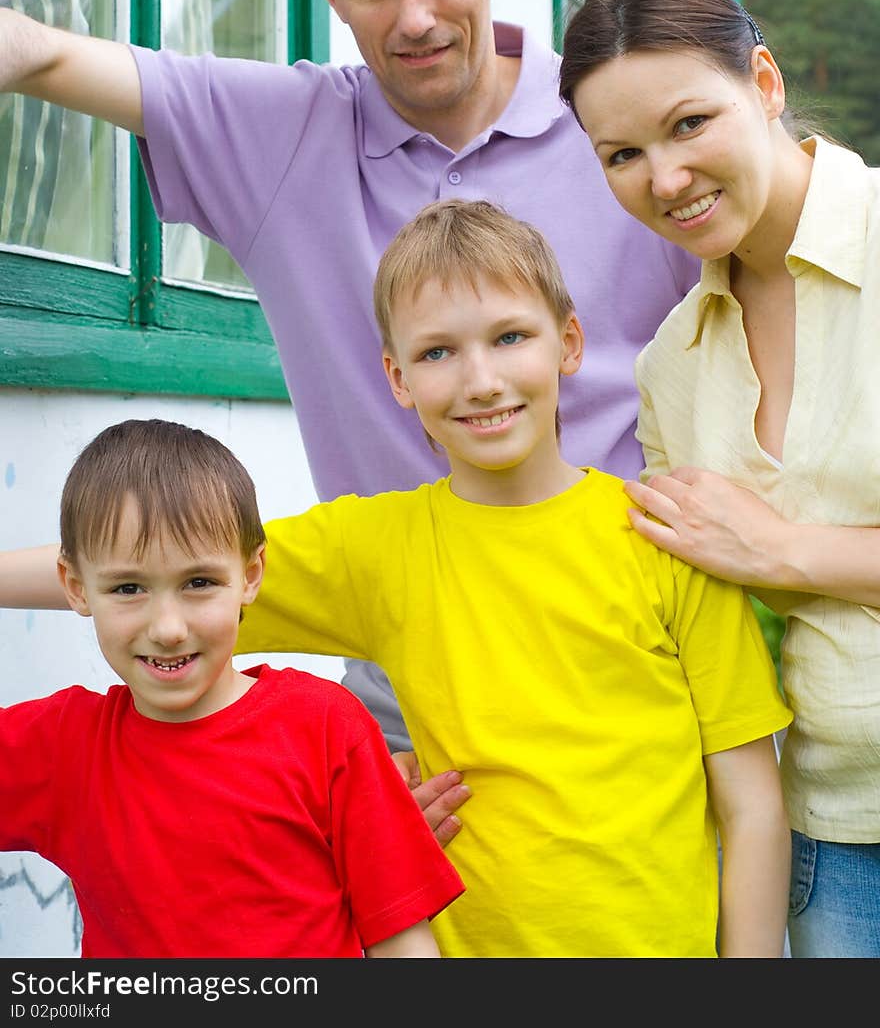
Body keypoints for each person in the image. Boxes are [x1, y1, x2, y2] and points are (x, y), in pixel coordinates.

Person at [0, 0, 700, 834]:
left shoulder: (614, 122)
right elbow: (53, 53)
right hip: (409, 696)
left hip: (623, 661)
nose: (414, 17)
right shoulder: (287, 133)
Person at [0, 200, 790, 957]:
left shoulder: (664, 537)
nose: (480, 379)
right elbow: (152, 565)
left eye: (510, 336)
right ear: (398, 376)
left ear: (570, 342)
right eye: (438, 351)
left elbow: (751, 804)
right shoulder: (377, 546)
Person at [558, 0, 880, 959]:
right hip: (827, 837)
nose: (662, 178)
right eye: (622, 153)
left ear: (766, 83)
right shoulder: (671, 365)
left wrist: (786, 551)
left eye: (689, 122)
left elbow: (762, 561)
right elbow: (703, 628)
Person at [0, 419, 463, 959]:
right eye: (128, 588)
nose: (168, 627)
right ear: (76, 588)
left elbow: (401, 942)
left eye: (199, 583)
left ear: (250, 575)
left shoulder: (325, 727)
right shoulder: (61, 747)